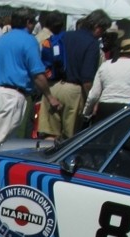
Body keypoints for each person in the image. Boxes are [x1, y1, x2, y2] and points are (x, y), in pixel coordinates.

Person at [0, 7, 61, 151]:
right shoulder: (29, 40)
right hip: (11, 94)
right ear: (28, 22)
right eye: (32, 22)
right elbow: (38, 73)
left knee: (7, 141)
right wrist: (50, 97)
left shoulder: (2, 39)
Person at [37, 9, 110, 141]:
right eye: (103, 30)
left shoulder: (64, 35)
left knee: (50, 134)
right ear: (97, 27)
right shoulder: (92, 44)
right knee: (69, 138)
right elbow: (87, 79)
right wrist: (93, 101)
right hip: (74, 91)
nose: (102, 34)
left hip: (53, 87)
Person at [83, 37, 130, 123]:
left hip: (105, 107)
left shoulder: (105, 65)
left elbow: (94, 94)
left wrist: (87, 111)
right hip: (128, 108)